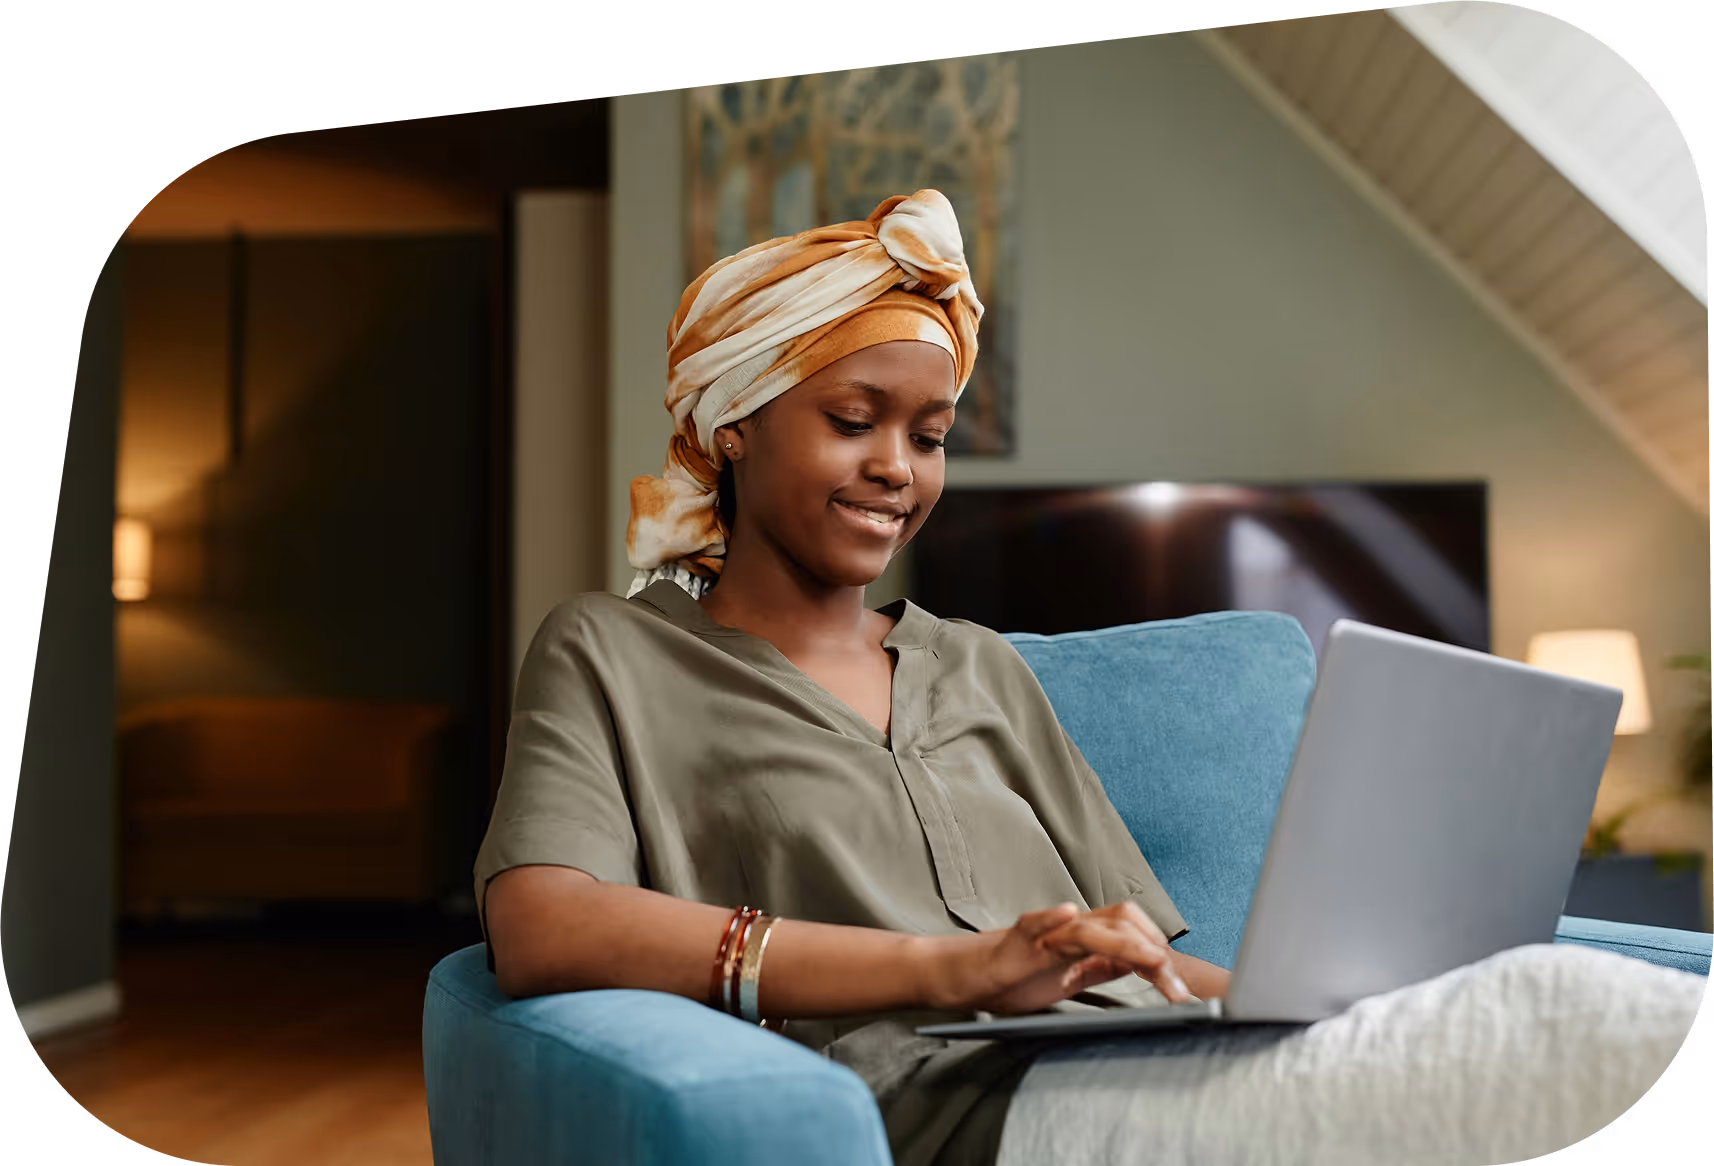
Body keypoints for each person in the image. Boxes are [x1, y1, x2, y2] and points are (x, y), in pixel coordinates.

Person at [473, 190, 1701, 1166]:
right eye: (855, 417)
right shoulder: (610, 651)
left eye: (931, 433)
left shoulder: (979, 665)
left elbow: (1152, 968)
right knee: (1576, 1030)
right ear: (732, 419)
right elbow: (542, 923)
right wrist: (951, 967)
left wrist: (1346, 995)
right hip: (968, 1111)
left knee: (1539, 993)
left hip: (1155, 1061)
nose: (899, 467)